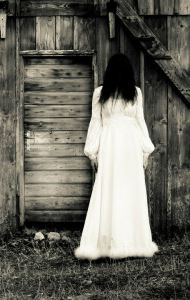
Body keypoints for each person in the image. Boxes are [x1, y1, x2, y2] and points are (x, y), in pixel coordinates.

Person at [74, 53, 159, 260]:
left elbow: (140, 122)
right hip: (110, 147)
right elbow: (96, 122)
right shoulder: (100, 94)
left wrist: (145, 151)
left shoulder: (136, 93)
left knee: (130, 191)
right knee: (108, 190)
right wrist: (92, 152)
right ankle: (106, 244)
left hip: (131, 147)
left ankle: (132, 244)